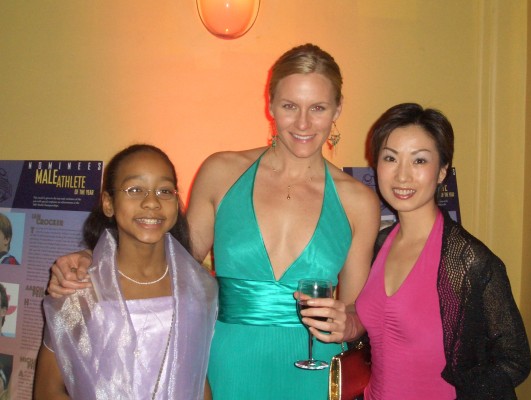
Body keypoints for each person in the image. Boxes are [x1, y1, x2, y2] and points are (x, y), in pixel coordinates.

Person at [47, 44, 380, 399]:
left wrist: (352, 324)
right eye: (289, 106)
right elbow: (170, 262)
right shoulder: (221, 173)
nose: (302, 123)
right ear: (270, 105)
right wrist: (93, 261)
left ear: (337, 109)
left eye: (317, 108)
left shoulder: (358, 201)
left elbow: (360, 311)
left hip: (315, 369)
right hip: (226, 364)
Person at [356, 103, 531, 399]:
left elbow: (515, 359)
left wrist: (464, 390)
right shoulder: (377, 243)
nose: (402, 176)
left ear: (442, 172)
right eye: (390, 158)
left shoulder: (471, 262)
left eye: (419, 161)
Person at [34, 144, 218, 399]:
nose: (152, 202)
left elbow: (197, 380)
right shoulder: (80, 288)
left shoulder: (199, 289)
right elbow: (48, 389)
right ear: (109, 203)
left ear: (176, 202)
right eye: (135, 190)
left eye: (164, 191)